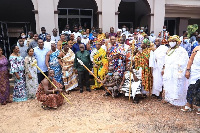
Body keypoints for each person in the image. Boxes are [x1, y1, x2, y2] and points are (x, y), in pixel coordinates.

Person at [162, 35, 189, 106]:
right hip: (169, 71)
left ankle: (177, 102)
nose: (171, 43)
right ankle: (169, 99)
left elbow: (184, 61)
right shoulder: (169, 50)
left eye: (173, 41)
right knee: (168, 85)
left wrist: (177, 68)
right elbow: (166, 61)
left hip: (177, 72)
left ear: (177, 42)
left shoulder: (181, 51)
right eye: (170, 41)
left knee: (176, 86)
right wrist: (164, 68)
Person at [181, 46, 200, 114]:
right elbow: (191, 60)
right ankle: (189, 105)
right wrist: (188, 70)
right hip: (195, 72)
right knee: (191, 88)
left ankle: (198, 106)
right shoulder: (197, 49)